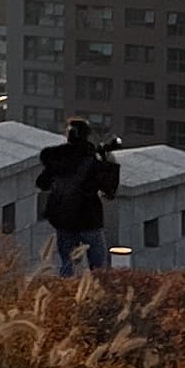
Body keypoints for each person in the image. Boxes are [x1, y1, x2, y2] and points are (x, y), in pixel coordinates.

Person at [36, 113, 120, 275]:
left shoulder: (57, 159)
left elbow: (42, 183)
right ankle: (94, 293)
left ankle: (67, 294)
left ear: (68, 136)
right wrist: (109, 163)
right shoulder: (92, 161)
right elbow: (109, 190)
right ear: (87, 135)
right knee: (98, 267)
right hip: (89, 219)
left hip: (63, 217)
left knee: (67, 265)